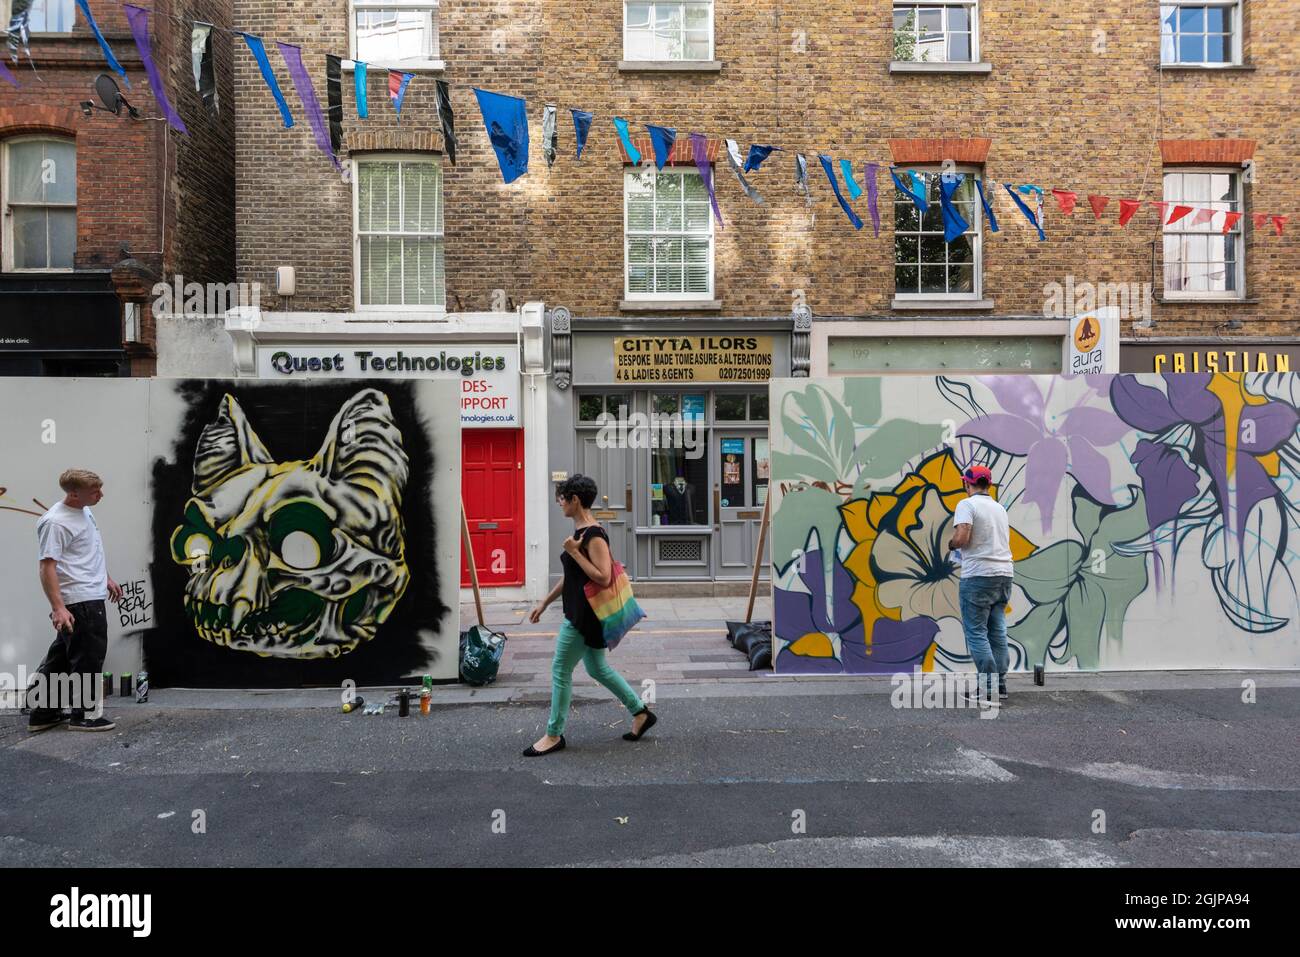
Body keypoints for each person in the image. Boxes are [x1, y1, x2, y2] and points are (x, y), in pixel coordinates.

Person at [524, 474, 656, 756]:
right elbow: (571, 578)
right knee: (597, 668)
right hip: (580, 612)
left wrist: (575, 552)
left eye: (562, 498)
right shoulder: (579, 532)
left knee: (561, 670)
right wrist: (544, 603)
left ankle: (553, 734)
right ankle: (640, 712)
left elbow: (604, 577)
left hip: (585, 618)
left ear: (575, 500)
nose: (560, 503)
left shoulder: (593, 535)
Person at [28, 469, 122, 732]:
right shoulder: (56, 522)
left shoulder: (84, 511)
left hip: (90, 593)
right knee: (88, 657)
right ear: (73, 493)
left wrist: (106, 578)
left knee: (61, 658)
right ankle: (85, 715)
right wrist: (58, 608)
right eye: (95, 492)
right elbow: (47, 567)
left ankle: (43, 714)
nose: (100, 495)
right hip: (80, 600)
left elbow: (86, 553)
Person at [947, 464, 1014, 706]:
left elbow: (963, 537)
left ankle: (987, 690)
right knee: (997, 631)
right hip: (1004, 575)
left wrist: (952, 545)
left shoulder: (967, 505)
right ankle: (1000, 685)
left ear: (967, 483)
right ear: (989, 485)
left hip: (978, 576)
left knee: (976, 633)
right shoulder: (999, 508)